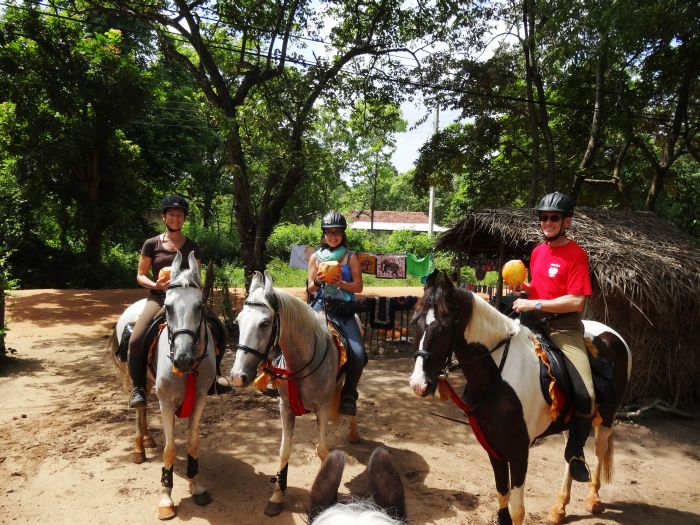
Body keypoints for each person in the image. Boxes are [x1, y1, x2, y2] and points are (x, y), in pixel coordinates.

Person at [512, 191, 594, 483]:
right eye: (544, 217)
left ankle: (575, 452)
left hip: (564, 329)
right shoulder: (537, 252)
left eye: (554, 217)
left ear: (566, 221)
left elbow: (576, 301)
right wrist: (523, 288)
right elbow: (538, 289)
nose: (547, 222)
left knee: (586, 395)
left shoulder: (576, 254)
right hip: (533, 323)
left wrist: (534, 303)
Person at [127, 195, 201, 408]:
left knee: (217, 329)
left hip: (186, 301)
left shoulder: (192, 246)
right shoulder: (152, 244)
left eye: (180, 215)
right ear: (164, 217)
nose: (176, 218)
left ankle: (215, 378)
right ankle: (139, 388)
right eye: (172, 215)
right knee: (136, 339)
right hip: (159, 299)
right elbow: (140, 275)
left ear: (184, 219)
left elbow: (198, 278)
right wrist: (155, 286)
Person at [307, 211, 365, 416]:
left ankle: (348, 395)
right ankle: (277, 379)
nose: (333, 236)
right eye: (329, 232)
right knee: (292, 337)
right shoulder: (315, 257)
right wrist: (318, 281)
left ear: (343, 234)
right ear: (323, 234)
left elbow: (358, 287)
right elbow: (310, 288)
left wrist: (342, 284)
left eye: (337, 232)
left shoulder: (350, 257)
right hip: (320, 307)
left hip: (343, 311)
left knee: (359, 355)